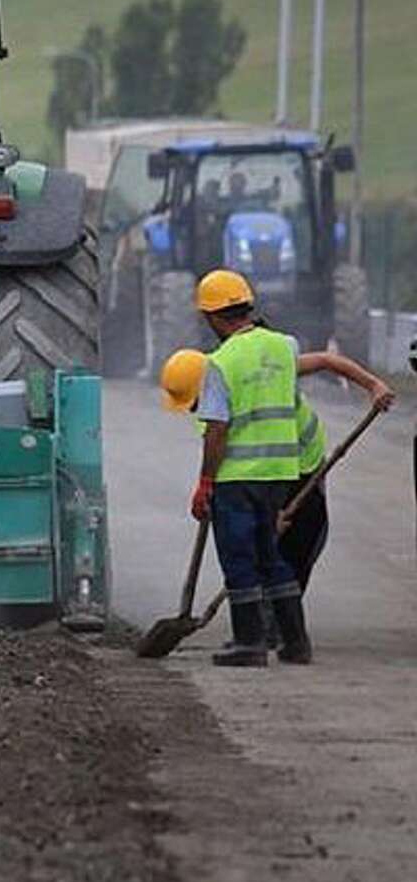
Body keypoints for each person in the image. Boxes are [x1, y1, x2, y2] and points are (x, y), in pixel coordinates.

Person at [158, 344, 394, 615]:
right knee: (257, 544)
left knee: (298, 541)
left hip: (303, 464)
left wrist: (374, 385)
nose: (197, 410)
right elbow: (223, 456)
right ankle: (268, 618)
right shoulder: (212, 415)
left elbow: (326, 360)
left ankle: (284, 625)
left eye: (196, 402)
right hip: (262, 472)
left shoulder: (261, 372)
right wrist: (208, 487)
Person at [183, 268, 309, 666]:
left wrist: (205, 482)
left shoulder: (219, 363)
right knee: (272, 555)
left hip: (238, 478)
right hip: (280, 473)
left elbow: (217, 429)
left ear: (214, 317)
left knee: (240, 558)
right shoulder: (286, 346)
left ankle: (250, 643)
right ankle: (296, 643)